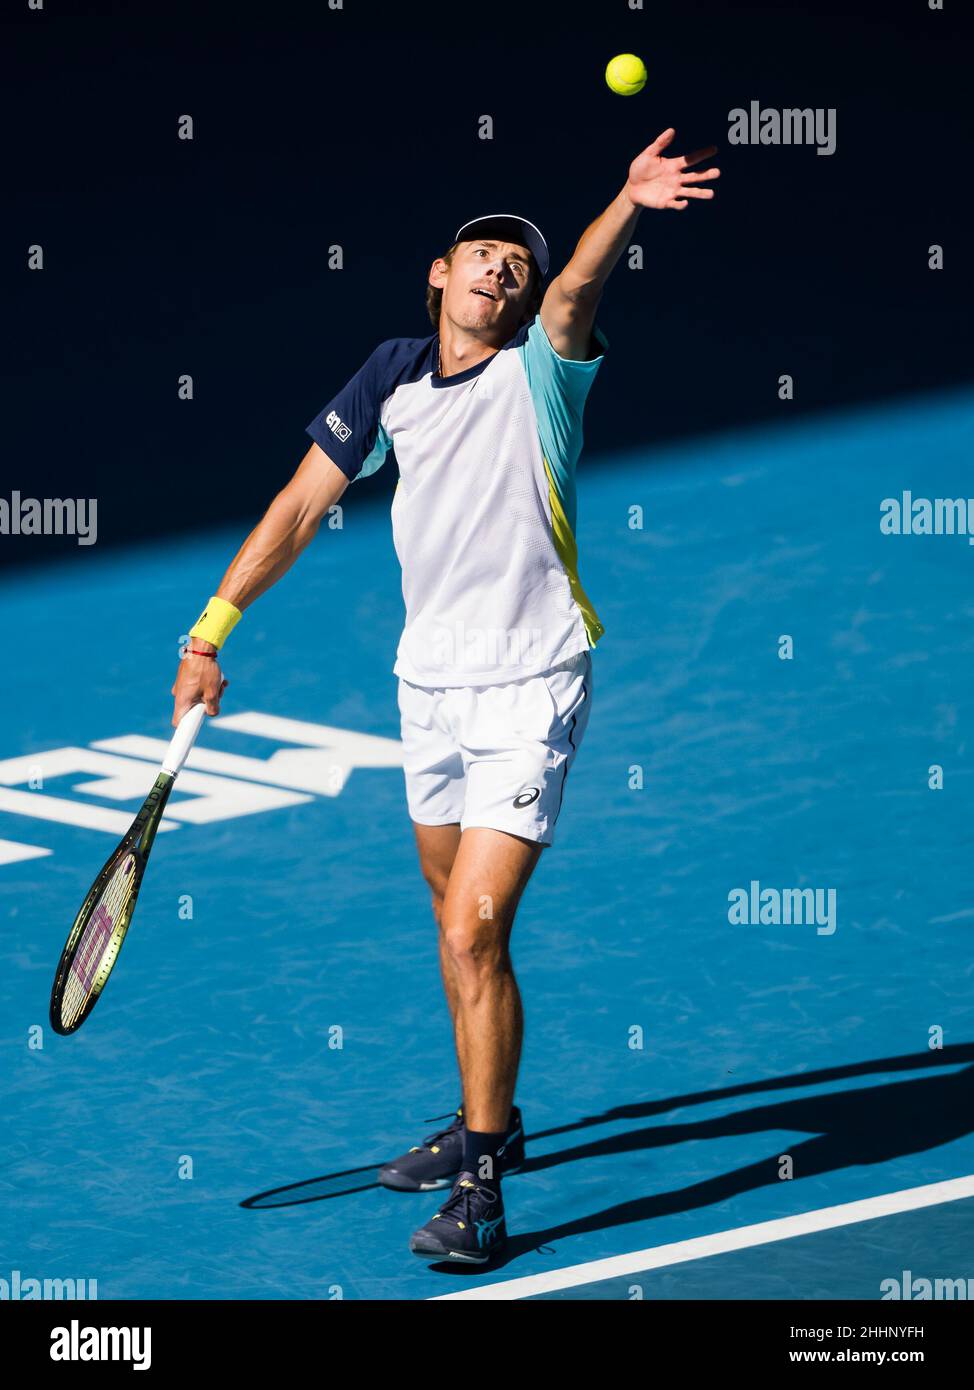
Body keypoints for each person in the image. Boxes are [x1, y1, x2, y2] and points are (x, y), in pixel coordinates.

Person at [171, 129, 719, 1265]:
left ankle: (480, 1188)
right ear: (438, 272)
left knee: (475, 931)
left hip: (531, 681)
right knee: (445, 917)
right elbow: (294, 506)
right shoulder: (391, 376)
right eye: (481, 253)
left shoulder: (544, 371)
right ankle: (498, 1121)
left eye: (514, 262)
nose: (501, 269)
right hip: (430, 689)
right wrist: (212, 627)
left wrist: (622, 203)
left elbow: (575, 285)